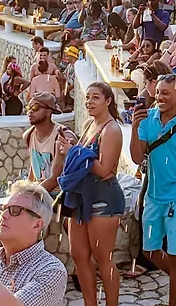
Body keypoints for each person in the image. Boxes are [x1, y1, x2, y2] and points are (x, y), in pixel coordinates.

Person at [131, 74, 176, 306]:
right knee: (150, 251)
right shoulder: (148, 120)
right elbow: (136, 158)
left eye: (165, 93)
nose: (159, 97)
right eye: (158, 92)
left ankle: (173, 300)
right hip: (153, 196)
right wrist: (134, 128)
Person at [60, 83, 125, 306]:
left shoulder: (111, 130)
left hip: (103, 197)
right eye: (87, 97)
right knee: (78, 254)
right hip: (81, 197)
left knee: (103, 258)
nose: (89, 102)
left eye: (95, 97)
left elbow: (104, 169)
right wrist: (70, 150)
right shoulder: (89, 124)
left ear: (108, 101)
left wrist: (74, 151)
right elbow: (81, 158)